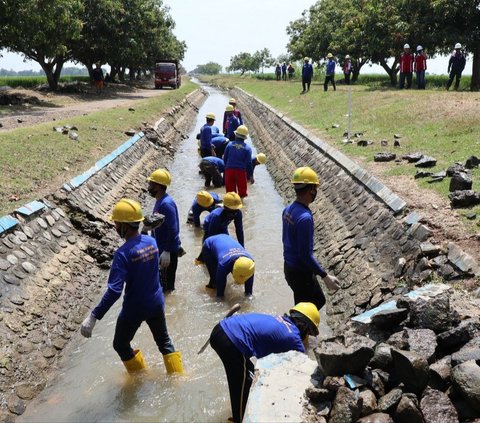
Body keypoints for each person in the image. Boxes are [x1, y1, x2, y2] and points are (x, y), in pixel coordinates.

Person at [80, 199, 183, 374]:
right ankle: (178, 376)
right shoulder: (152, 242)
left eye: (116, 223)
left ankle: (140, 375)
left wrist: (94, 316)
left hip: (135, 308)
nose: (115, 227)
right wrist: (144, 230)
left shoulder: (122, 254)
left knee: (120, 344)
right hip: (157, 302)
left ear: (124, 226)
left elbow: (114, 291)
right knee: (164, 342)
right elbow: (143, 250)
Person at [209, 302, 320, 423]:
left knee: (248, 375)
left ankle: (238, 410)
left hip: (221, 329)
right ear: (304, 327)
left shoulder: (280, 320)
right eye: (309, 333)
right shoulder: (294, 339)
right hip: (231, 341)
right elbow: (301, 371)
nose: (307, 337)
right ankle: (239, 419)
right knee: (245, 383)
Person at [282, 167, 340, 310]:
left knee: (310, 303)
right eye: (315, 188)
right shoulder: (305, 218)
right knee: (309, 309)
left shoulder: (288, 209)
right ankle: (293, 330)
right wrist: (325, 277)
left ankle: (296, 328)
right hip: (300, 273)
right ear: (311, 190)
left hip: (289, 268)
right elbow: (305, 255)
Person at [147, 169, 182, 293]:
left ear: (158, 186)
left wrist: (167, 250)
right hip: (161, 249)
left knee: (167, 289)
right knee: (161, 285)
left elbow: (173, 229)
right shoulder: (160, 201)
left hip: (167, 252)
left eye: (151, 184)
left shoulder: (166, 204)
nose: (149, 187)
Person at [223, 125, 253, 198]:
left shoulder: (229, 145)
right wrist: (251, 176)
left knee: (230, 194)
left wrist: (226, 169)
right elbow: (249, 163)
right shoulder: (247, 148)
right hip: (241, 172)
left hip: (229, 170)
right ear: (245, 137)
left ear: (236, 135)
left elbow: (225, 158)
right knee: (242, 194)